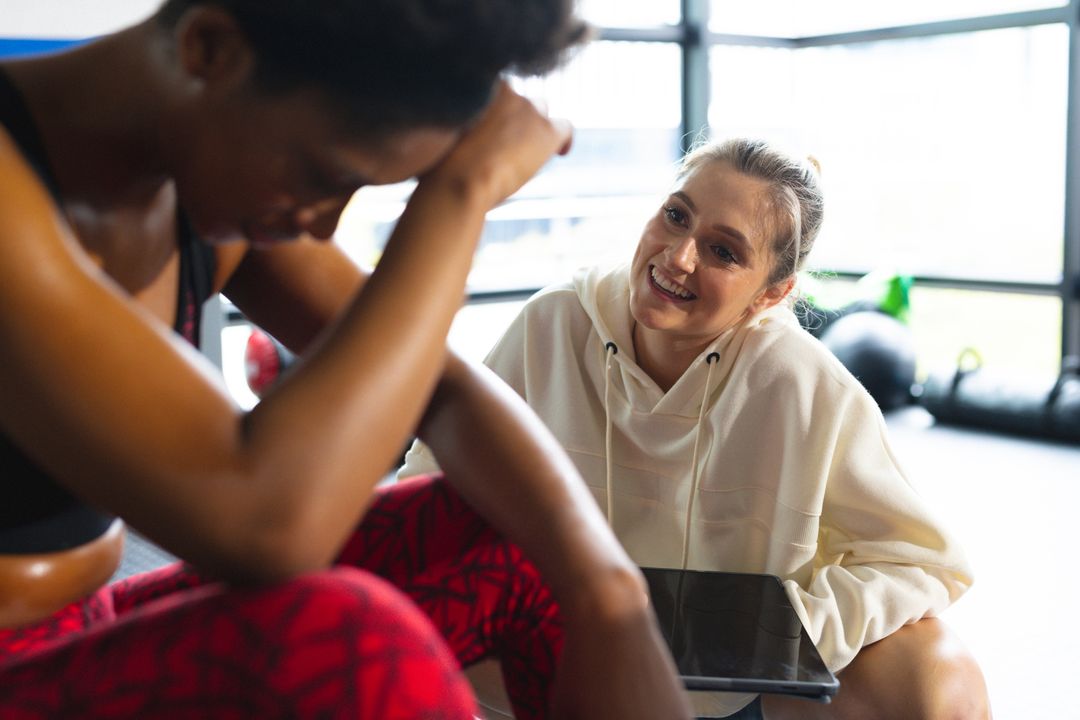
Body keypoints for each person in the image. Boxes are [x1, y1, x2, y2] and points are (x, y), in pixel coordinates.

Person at [0, 1, 694, 718]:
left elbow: (443, 383)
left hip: (86, 626)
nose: (323, 222)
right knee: (345, 637)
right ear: (209, 49)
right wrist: (456, 198)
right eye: (322, 173)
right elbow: (265, 525)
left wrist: (609, 592)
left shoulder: (196, 177)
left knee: (514, 523)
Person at [401, 138, 992, 719]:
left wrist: (776, 636)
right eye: (676, 216)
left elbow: (924, 560)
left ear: (772, 294)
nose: (678, 257)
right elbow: (427, 489)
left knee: (938, 673)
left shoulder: (803, 384)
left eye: (723, 252)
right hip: (576, 666)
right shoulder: (551, 324)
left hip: (732, 692)